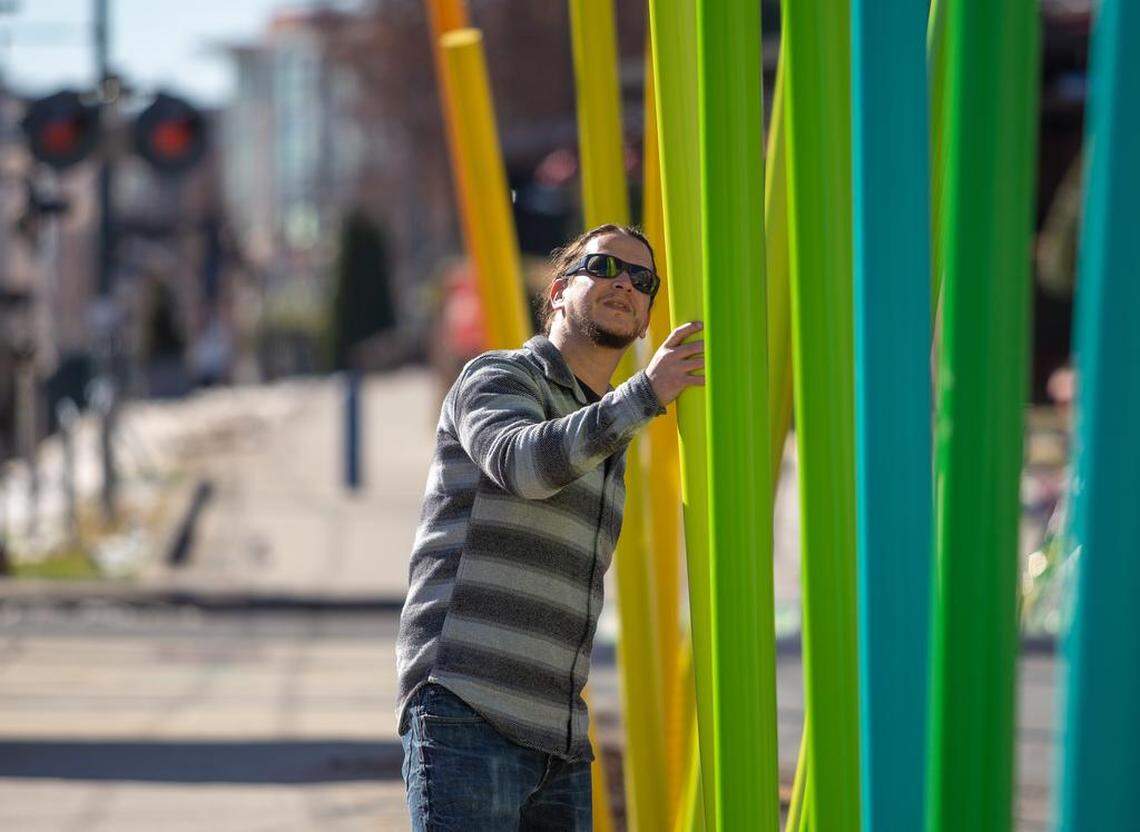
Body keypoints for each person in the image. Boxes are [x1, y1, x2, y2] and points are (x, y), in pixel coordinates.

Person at [395, 224, 704, 830]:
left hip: (558, 737)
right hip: (467, 707)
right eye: (604, 267)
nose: (624, 285)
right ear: (559, 291)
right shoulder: (500, 377)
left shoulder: (609, 431)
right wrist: (645, 392)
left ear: (646, 321)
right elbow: (524, 465)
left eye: (642, 281)